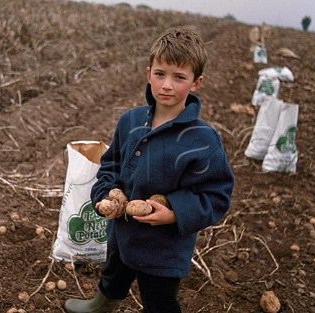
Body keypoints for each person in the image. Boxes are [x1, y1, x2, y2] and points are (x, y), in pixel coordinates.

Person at [64, 25, 234, 313]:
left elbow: (216, 195)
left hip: (164, 249)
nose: (167, 85)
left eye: (179, 77)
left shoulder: (202, 140)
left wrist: (174, 213)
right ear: (148, 74)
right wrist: (105, 196)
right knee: (113, 272)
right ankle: (102, 304)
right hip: (121, 232)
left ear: (196, 82)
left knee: (159, 301)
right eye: (160, 74)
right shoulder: (129, 121)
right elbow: (110, 166)